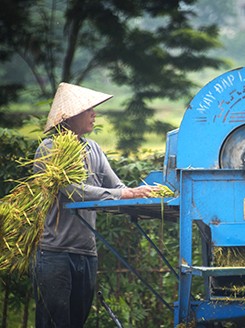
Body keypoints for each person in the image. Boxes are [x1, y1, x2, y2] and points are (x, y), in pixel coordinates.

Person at [32, 82, 159, 328]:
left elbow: (118, 187)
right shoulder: (49, 149)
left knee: (78, 320)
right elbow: (72, 191)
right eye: (88, 109)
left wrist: (144, 194)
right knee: (54, 321)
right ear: (69, 116)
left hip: (86, 252)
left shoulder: (93, 149)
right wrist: (126, 195)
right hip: (55, 252)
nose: (94, 114)